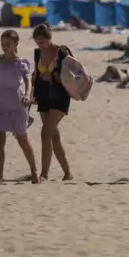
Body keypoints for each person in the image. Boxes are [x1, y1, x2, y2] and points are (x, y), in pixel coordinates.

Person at [0, 30, 39, 185]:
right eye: (3, 43)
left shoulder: (20, 63)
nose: (4, 46)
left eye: (8, 44)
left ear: (16, 44)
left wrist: (28, 96)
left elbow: (28, 82)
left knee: (22, 138)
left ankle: (35, 173)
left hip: (16, 102)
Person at [32, 24, 73, 182]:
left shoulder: (61, 51)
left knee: (45, 132)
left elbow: (73, 73)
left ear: (49, 38)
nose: (39, 44)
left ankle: (44, 174)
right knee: (53, 136)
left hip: (60, 95)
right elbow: (36, 73)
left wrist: (54, 75)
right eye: (37, 41)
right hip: (43, 94)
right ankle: (67, 172)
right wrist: (34, 80)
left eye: (42, 40)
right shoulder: (37, 53)